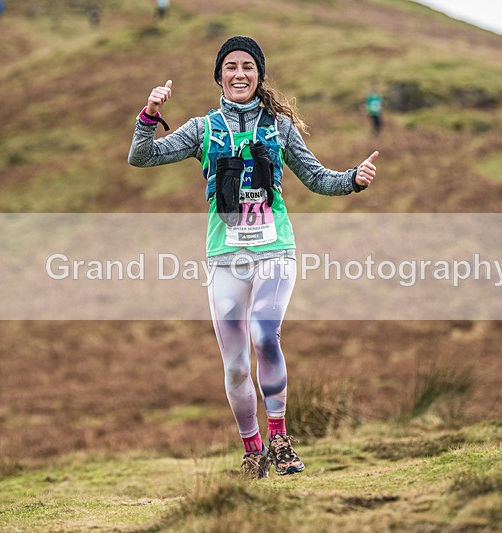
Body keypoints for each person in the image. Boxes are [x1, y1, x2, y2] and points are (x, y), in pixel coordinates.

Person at [128, 36, 378, 478]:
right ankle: (252, 450)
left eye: (248, 66)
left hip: (275, 251)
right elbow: (140, 156)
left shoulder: (279, 126)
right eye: (230, 67)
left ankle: (280, 439)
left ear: (259, 75)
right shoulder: (202, 129)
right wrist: (150, 113)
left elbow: (318, 179)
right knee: (236, 364)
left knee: (265, 335)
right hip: (225, 256)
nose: (239, 74)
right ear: (219, 76)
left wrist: (353, 179)